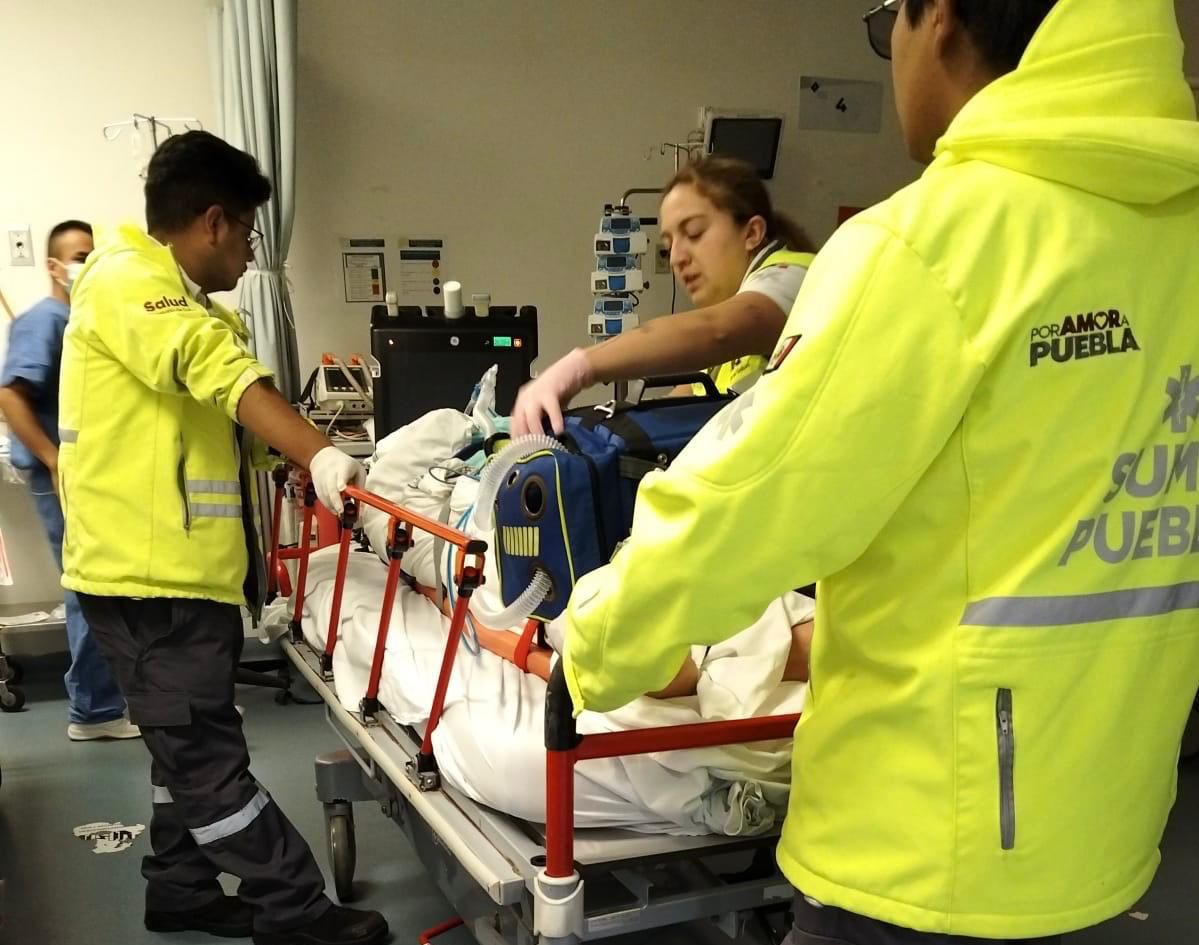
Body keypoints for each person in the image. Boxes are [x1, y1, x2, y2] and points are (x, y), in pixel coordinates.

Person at [561, 1, 1199, 943]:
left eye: (882, 22)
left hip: (919, 846)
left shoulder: (934, 243)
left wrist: (595, 643)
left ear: (936, 18)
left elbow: (747, 502)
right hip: (1108, 826)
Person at [57, 131, 386, 945]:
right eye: (246, 232)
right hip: (147, 583)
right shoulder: (131, 283)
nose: (246, 251)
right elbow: (219, 372)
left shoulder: (180, 301)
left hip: (180, 577)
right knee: (206, 761)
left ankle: (180, 889)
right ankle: (296, 909)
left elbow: (213, 423)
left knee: (192, 743)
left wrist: (299, 455)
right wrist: (321, 454)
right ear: (212, 221)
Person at [510, 156, 816, 436]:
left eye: (694, 233)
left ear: (752, 233)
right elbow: (669, 412)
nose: (676, 259)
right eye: (669, 245)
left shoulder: (794, 277)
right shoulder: (724, 356)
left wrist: (579, 367)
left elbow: (713, 330)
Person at [0, 220, 137, 741]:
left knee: (101, 586)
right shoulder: (46, 320)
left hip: (86, 477)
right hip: (60, 478)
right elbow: (9, 394)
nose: (89, 263)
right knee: (88, 588)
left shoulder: (82, 319)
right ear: (54, 266)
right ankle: (94, 711)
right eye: (80, 256)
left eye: (93, 254)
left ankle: (107, 703)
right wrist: (54, 461)